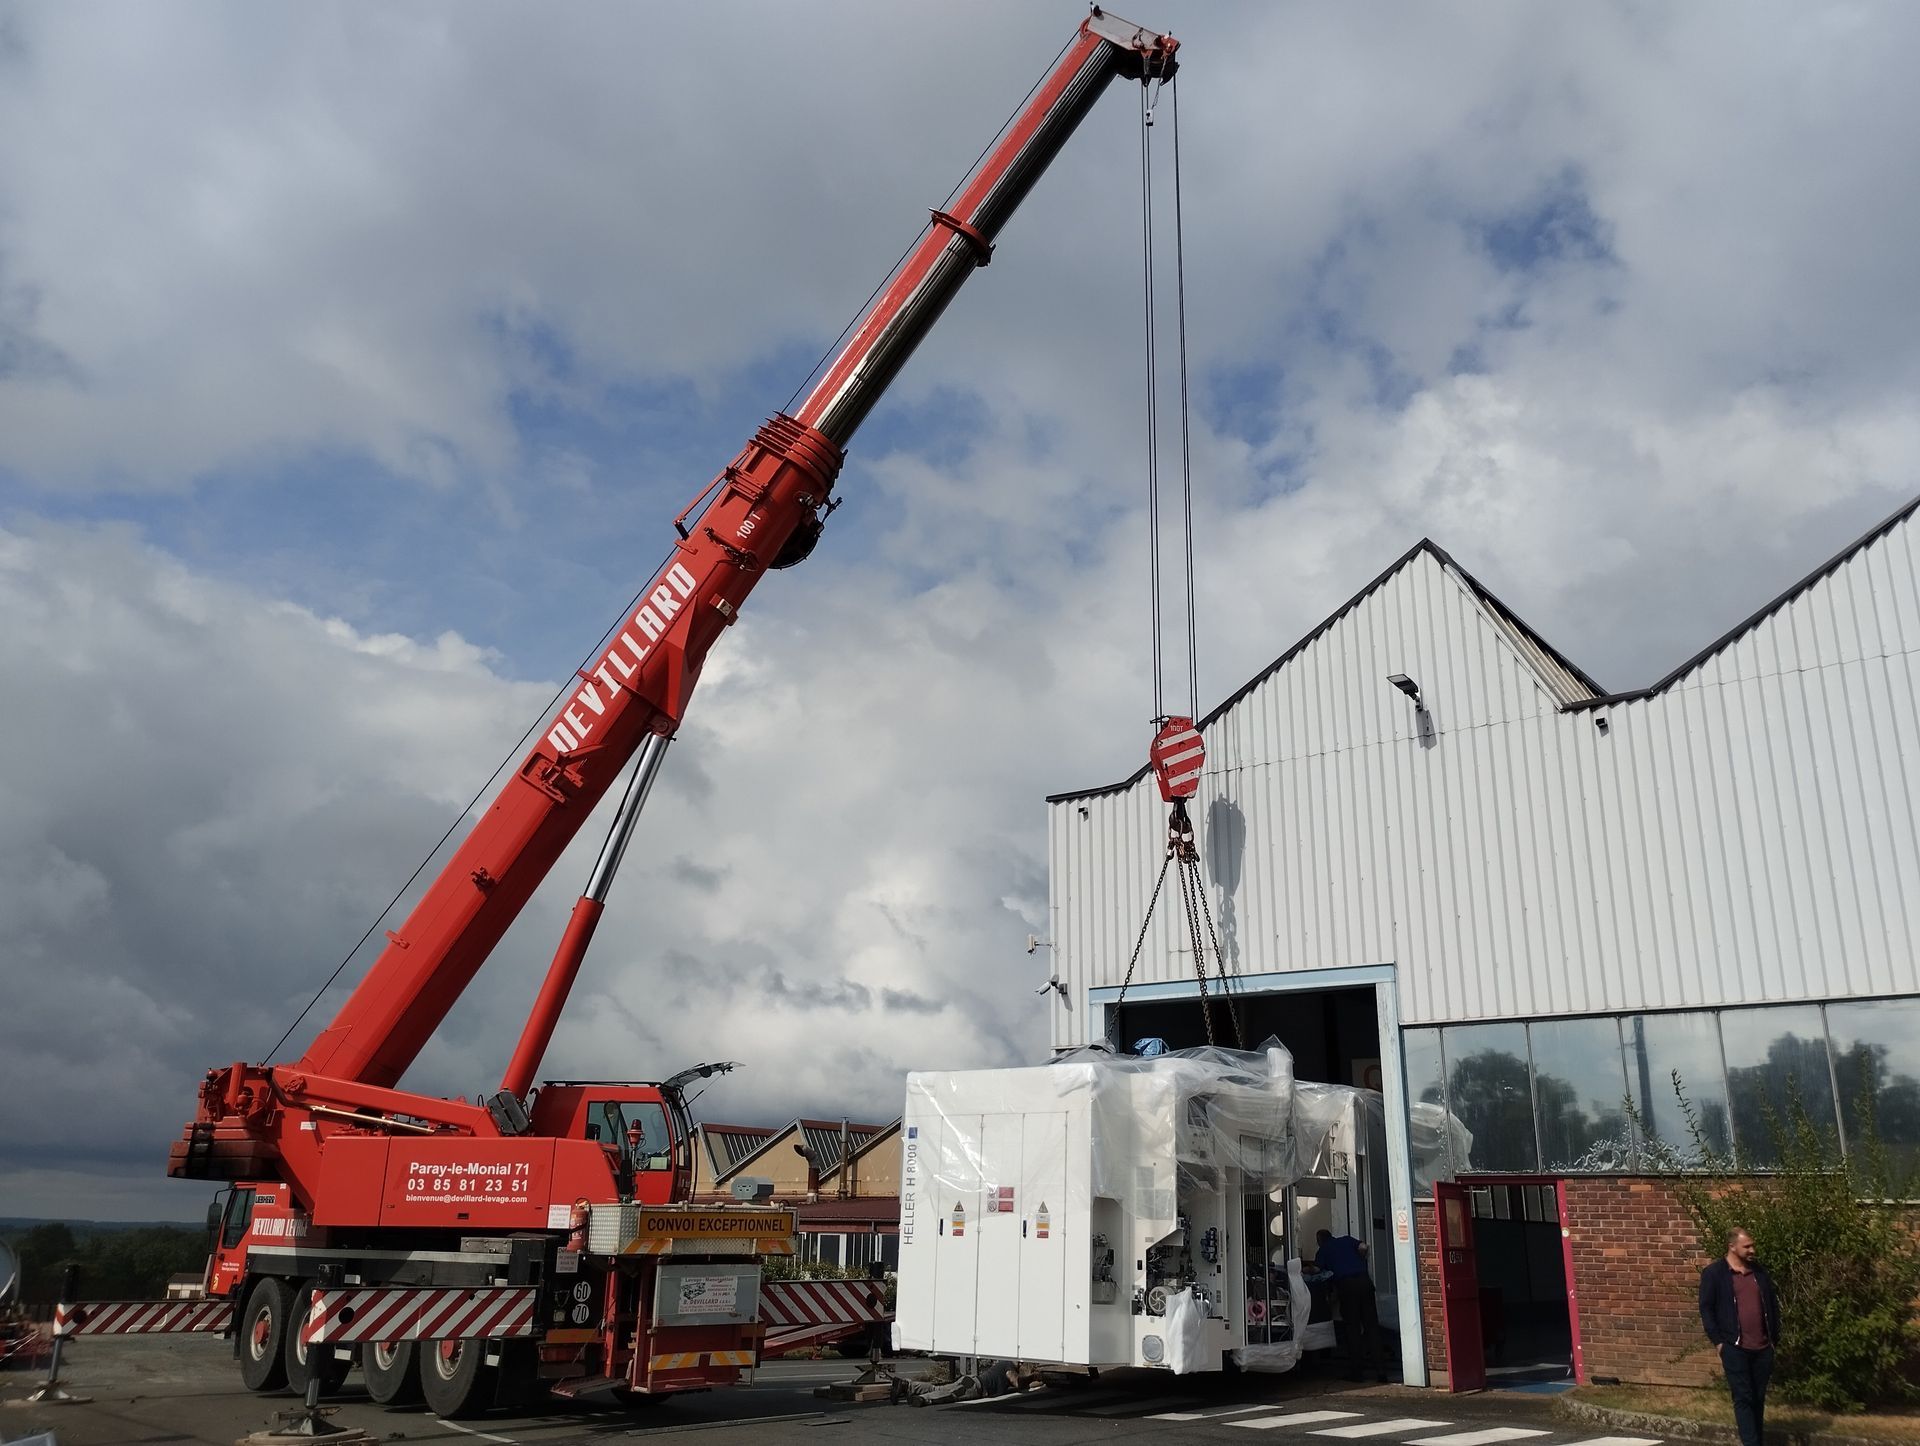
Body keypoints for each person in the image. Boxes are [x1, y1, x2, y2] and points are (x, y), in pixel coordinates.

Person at [1698, 1226, 1781, 1446]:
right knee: (1743, 1397)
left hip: (1763, 1348)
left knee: (1758, 1398)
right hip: (1734, 1347)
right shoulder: (1715, 1274)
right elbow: (1706, 1309)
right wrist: (1718, 1342)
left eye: (1752, 1245)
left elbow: (1772, 1305)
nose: (1752, 1250)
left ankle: (1757, 1440)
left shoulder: (1759, 1273)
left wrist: (1774, 1339)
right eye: (1747, 1246)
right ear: (1732, 1247)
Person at [1316, 1227, 1386, 1381]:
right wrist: (1360, 1258)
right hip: (1365, 1283)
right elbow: (1363, 1247)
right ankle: (1381, 1371)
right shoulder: (1347, 1239)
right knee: (1372, 1327)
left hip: (1347, 1287)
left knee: (1352, 1328)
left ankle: (1357, 1372)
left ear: (1319, 1241)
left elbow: (1319, 1272)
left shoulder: (1323, 1251)